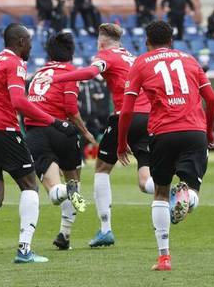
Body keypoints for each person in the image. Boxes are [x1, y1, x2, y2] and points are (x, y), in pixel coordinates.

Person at [0, 23, 76, 264]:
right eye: (29, 41)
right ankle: (24, 250)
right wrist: (54, 122)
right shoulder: (14, 62)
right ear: (20, 42)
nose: (31, 46)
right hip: (2, 129)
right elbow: (19, 101)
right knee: (30, 185)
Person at [37, 23, 153, 248]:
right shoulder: (133, 57)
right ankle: (169, 194)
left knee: (101, 169)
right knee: (145, 176)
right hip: (149, 116)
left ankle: (105, 229)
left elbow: (91, 73)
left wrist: (57, 79)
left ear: (101, 42)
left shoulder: (106, 55)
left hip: (125, 115)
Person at [117, 20, 214, 271]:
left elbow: (126, 110)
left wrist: (121, 142)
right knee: (193, 190)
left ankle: (164, 258)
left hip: (162, 133)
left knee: (160, 193)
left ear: (147, 42)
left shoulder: (141, 63)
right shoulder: (190, 59)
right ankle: (186, 197)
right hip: (194, 131)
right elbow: (212, 99)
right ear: (171, 40)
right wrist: (209, 132)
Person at [24, 32, 97, 250]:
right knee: (74, 182)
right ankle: (65, 231)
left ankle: (64, 227)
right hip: (62, 131)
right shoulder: (70, 72)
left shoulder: (38, 74)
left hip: (36, 132)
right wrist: (86, 133)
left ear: (49, 53)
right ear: (71, 53)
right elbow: (71, 109)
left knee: (56, 193)